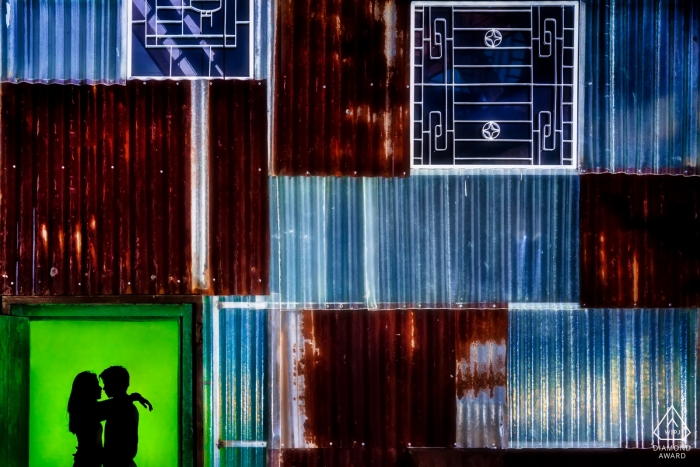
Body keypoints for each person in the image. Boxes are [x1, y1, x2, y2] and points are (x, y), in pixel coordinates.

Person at [67, 371, 152, 467]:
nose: (101, 388)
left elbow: (110, 405)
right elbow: (110, 406)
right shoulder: (86, 410)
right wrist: (132, 397)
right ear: (87, 389)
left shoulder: (85, 409)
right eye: (96, 385)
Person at [99, 366, 150, 467]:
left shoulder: (119, 408)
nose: (104, 388)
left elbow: (126, 448)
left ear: (116, 384)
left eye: (106, 383)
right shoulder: (124, 406)